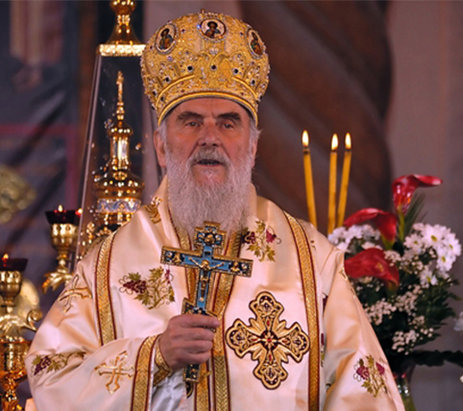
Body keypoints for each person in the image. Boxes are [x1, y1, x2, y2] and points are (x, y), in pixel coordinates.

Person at [26, 11, 404, 410]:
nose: (210, 138)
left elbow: (365, 393)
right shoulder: (109, 266)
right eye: (190, 122)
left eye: (228, 123)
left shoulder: (311, 261)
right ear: (160, 147)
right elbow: (53, 375)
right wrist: (154, 357)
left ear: (253, 146)